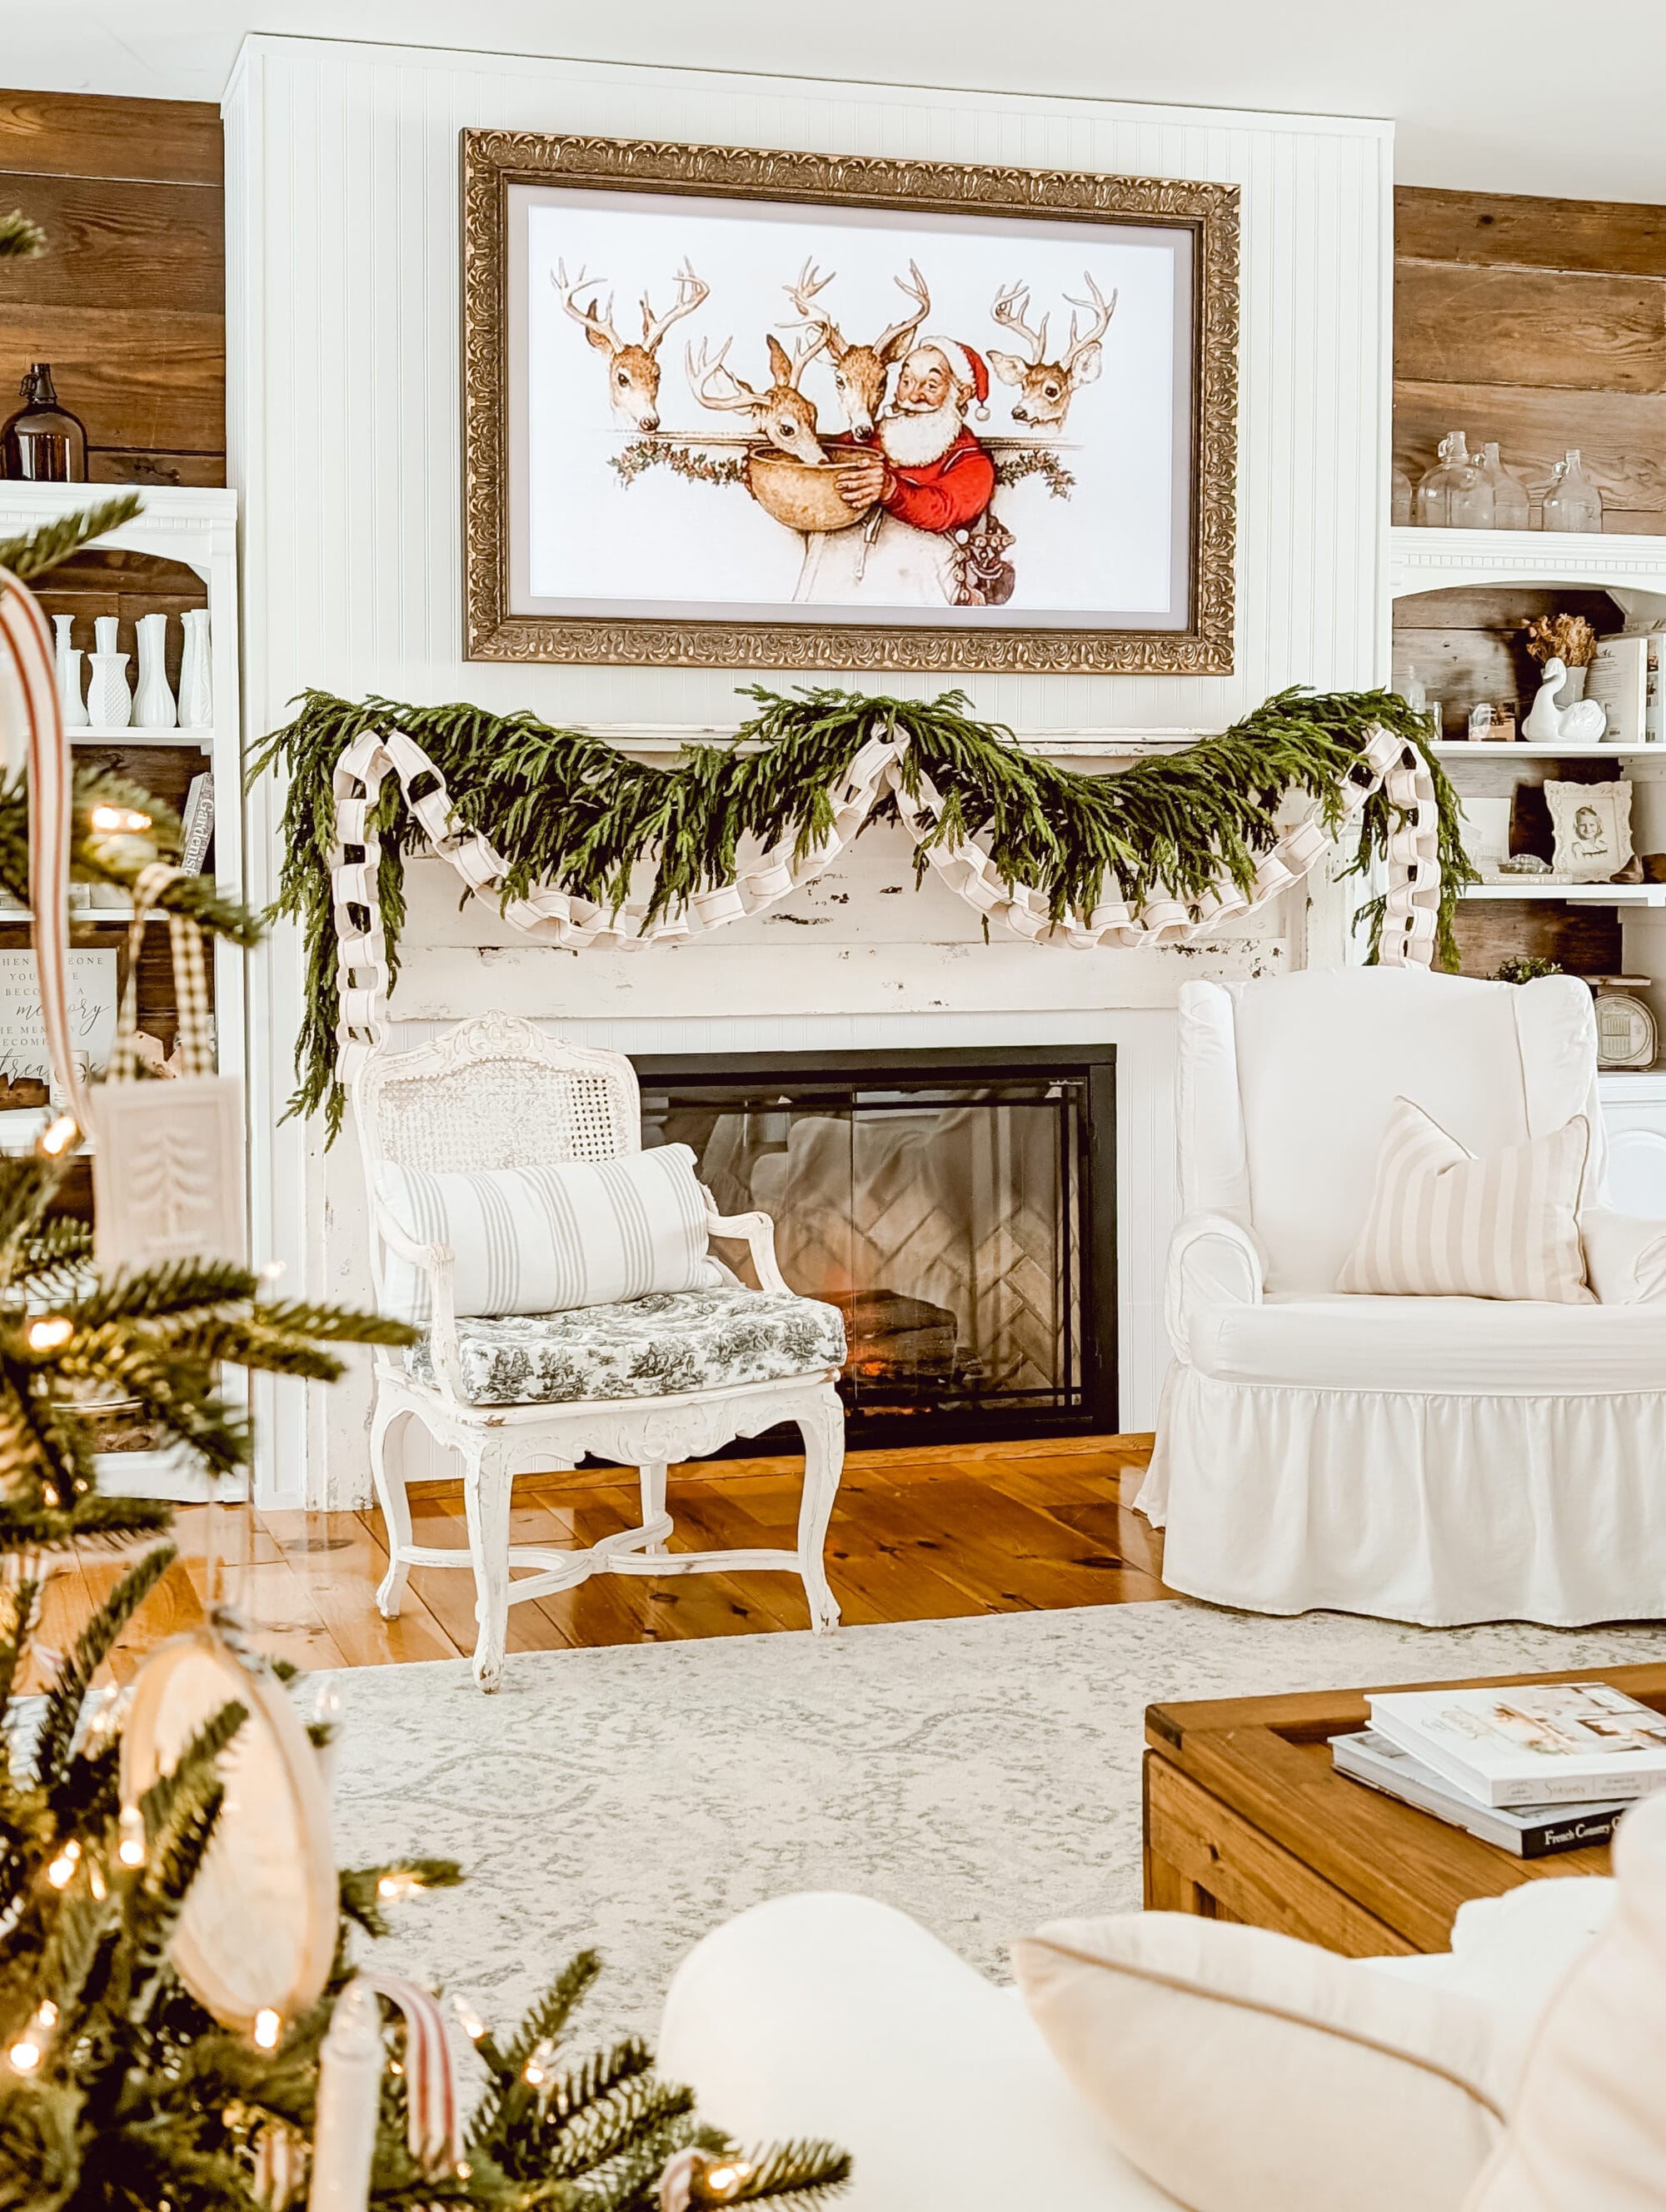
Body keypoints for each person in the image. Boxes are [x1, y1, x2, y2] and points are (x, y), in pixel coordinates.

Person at [794, 338, 999, 606]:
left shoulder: (971, 461)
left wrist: (891, 490)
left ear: (961, 393)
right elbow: (820, 460)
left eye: (931, 385)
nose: (913, 396)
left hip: (913, 594)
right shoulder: (873, 437)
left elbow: (942, 509)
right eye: (906, 381)